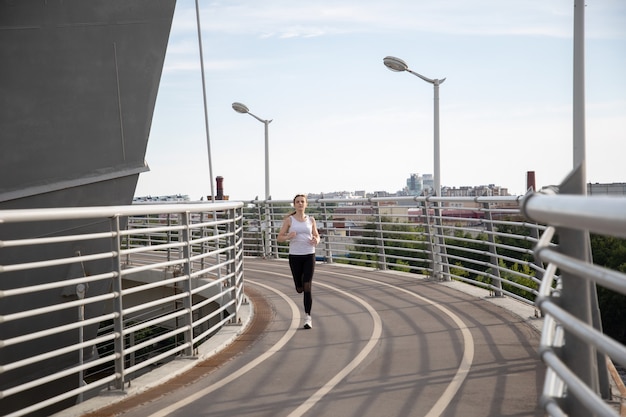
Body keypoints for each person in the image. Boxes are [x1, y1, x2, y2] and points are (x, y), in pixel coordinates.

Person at [277, 194, 320, 329]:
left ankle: (308, 317)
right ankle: (299, 285)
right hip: (295, 256)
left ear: (306, 204)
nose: (300, 204)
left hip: (309, 255)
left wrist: (316, 240)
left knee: (307, 286)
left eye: (302, 201)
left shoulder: (311, 220)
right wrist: (288, 236)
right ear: (294, 205)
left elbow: (317, 235)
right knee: (299, 288)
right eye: (297, 202)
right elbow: (279, 238)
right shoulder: (289, 220)